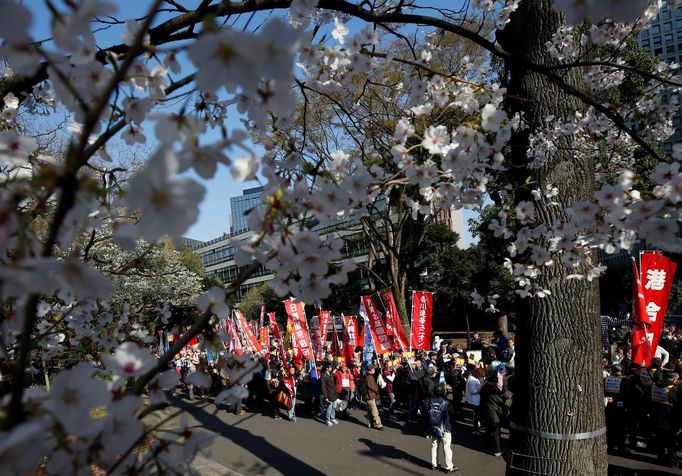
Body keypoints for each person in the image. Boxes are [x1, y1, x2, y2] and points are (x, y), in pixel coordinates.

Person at [427, 385, 458, 472]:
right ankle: (449, 466)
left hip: (434, 427)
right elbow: (452, 413)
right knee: (446, 447)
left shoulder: (431, 402)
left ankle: (434, 464)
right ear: (443, 393)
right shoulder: (446, 403)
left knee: (434, 445)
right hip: (445, 427)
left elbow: (427, 412)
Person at [479, 374, 505, 457]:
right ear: (494, 382)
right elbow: (499, 400)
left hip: (485, 411)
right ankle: (497, 449)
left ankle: (487, 446)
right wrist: (505, 397)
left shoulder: (484, 387)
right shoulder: (492, 390)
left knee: (488, 430)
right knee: (496, 431)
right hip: (493, 413)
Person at [363, 366, 384, 430]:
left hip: (368, 396)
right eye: (373, 369)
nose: (374, 370)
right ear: (370, 370)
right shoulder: (369, 377)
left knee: (369, 410)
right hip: (370, 395)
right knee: (374, 411)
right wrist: (377, 390)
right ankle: (378, 424)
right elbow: (372, 386)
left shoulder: (367, 376)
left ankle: (370, 423)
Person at [465, 367, 484, 434]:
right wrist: (480, 387)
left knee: (477, 416)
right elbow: (473, 391)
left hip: (474, 400)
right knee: (476, 416)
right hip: (474, 401)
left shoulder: (472, 378)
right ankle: (475, 430)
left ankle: (476, 428)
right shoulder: (472, 380)